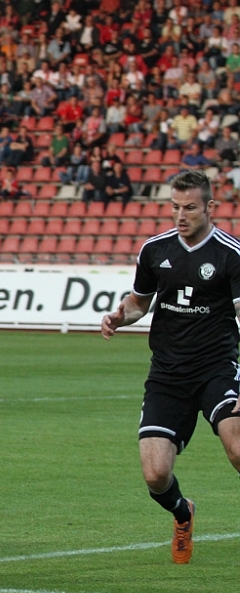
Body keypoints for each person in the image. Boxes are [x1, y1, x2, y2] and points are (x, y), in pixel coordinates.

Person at [101, 169, 240, 565]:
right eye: (175, 207)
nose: (181, 215)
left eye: (190, 208)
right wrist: (120, 316)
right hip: (167, 374)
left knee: (238, 447)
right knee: (155, 474)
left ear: (210, 207)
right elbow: (139, 303)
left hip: (217, 367)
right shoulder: (154, 250)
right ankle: (183, 513)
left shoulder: (231, 254)